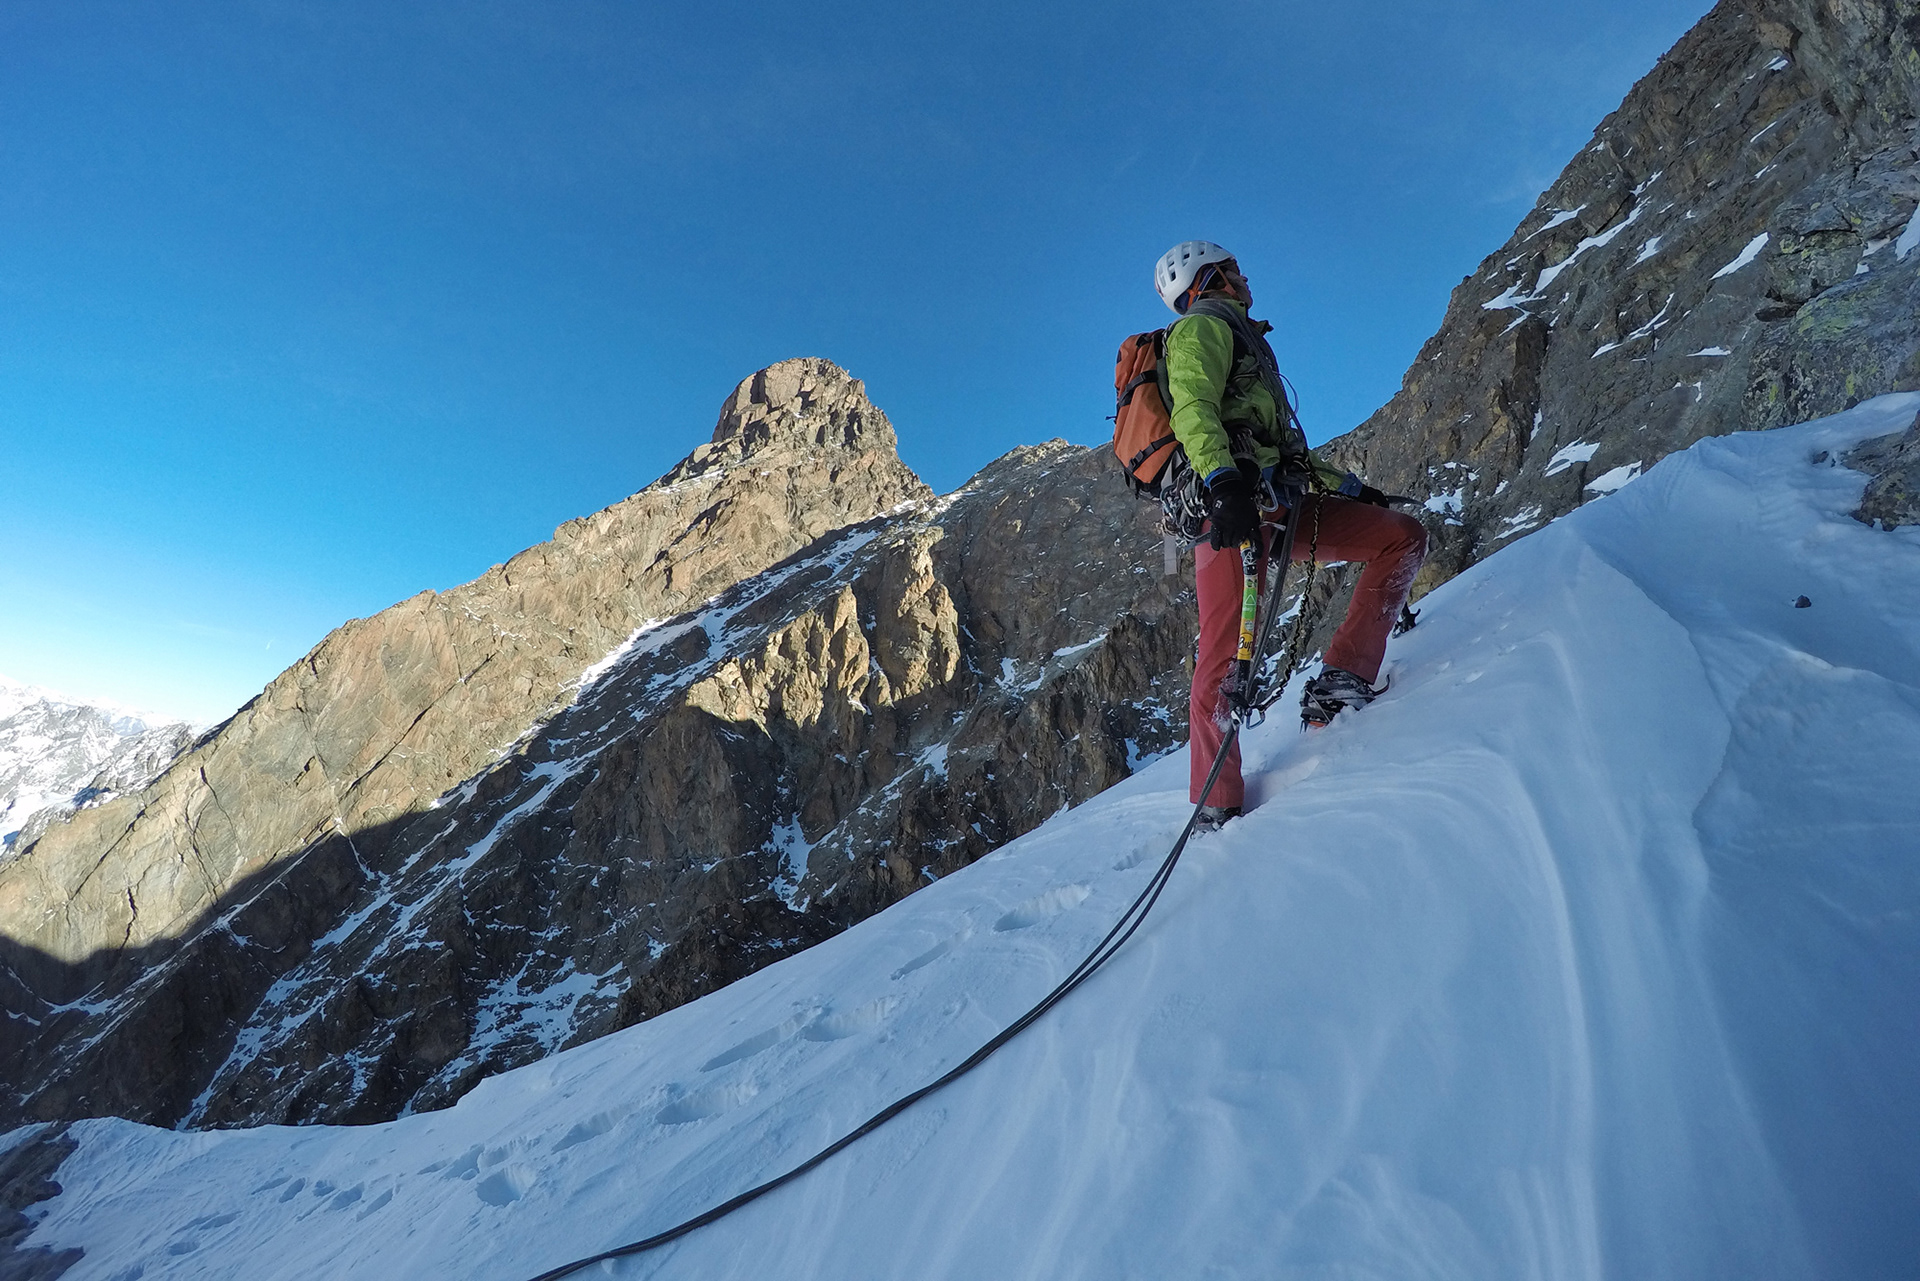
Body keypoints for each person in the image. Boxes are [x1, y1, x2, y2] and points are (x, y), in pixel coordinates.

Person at [1152, 240, 1427, 829]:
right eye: (1233, 268)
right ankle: (1214, 803)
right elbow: (1193, 410)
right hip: (1225, 514)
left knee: (1399, 536)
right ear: (1211, 278)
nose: (1244, 275)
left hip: (1277, 502)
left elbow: (1287, 455)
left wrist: (1355, 493)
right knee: (1223, 658)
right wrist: (1223, 483)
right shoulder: (1202, 329)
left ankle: (1341, 681)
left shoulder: (1244, 338)